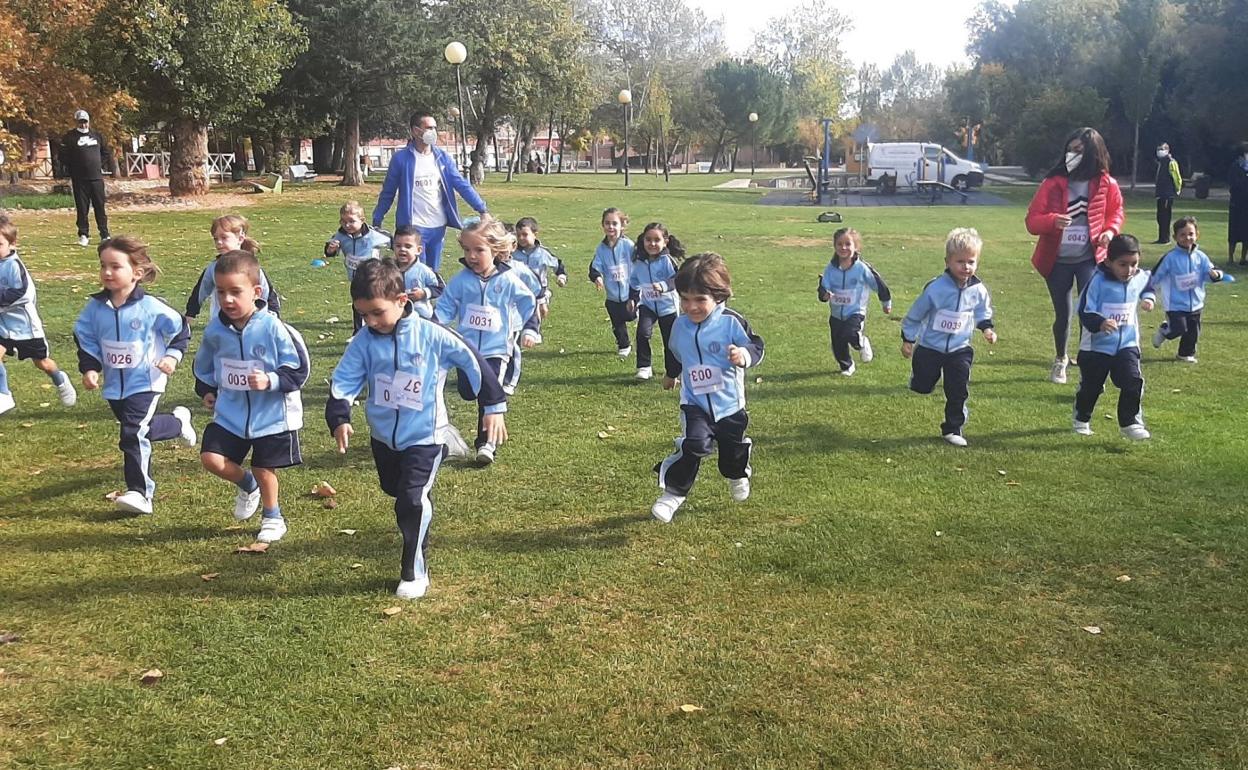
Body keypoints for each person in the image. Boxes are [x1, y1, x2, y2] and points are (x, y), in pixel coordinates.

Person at [326, 258, 508, 599]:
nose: (370, 321)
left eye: (377, 313)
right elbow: (345, 379)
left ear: (402, 300)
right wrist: (339, 416)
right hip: (383, 438)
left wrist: (493, 407)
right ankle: (419, 496)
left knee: (410, 500)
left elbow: (474, 362)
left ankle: (413, 570)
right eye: (363, 314)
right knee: (396, 491)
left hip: (425, 436)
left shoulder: (432, 335)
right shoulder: (364, 341)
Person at [192, 251, 310, 543]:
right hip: (230, 413)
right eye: (221, 293)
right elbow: (204, 366)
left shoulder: (273, 327)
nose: (227, 300)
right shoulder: (215, 330)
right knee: (211, 457)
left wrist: (270, 380)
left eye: (235, 292)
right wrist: (207, 391)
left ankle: (273, 516)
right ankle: (247, 485)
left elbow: (299, 369)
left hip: (271, 416)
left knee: (262, 466)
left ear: (256, 292)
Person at [74, 236, 196, 515]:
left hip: (147, 380)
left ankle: (140, 493)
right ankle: (177, 423)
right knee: (142, 429)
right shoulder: (94, 308)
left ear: (136, 273)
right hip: (115, 385)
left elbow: (180, 330)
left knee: (131, 432)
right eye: (103, 265)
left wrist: (171, 357)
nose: (107, 272)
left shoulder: (151, 307)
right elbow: (85, 338)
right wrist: (90, 367)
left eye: (115, 266)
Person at [651, 253, 764, 523]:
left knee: (731, 453)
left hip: (730, 406)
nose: (691, 307)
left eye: (700, 300)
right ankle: (673, 495)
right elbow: (676, 353)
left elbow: (756, 346)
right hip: (695, 404)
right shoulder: (680, 326)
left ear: (719, 296)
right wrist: (671, 374)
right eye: (685, 299)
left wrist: (743, 356)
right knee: (693, 444)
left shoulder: (731, 322)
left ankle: (738, 474)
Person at [1024, 127, 1124, 385]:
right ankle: (1061, 359)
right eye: (1070, 149)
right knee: (1064, 313)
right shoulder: (1053, 182)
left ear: (1093, 153)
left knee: (1088, 311)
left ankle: (1087, 359)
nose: (1073, 154)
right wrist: (1052, 221)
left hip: (1089, 258)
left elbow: (1116, 213)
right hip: (1056, 260)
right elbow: (1032, 221)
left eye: (1079, 150)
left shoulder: (1106, 183)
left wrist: (1110, 232)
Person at [434, 215, 536, 464]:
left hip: (496, 351)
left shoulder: (508, 279)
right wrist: (435, 325)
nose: (471, 256)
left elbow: (528, 303)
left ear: (496, 250)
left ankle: (486, 444)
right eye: (467, 250)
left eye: (479, 250)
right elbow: (446, 305)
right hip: (466, 350)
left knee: (488, 395)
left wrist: (530, 329)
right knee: (468, 391)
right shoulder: (461, 280)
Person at [901, 227, 997, 447]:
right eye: (960, 261)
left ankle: (953, 428)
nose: (966, 267)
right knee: (923, 385)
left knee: (958, 389)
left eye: (971, 262)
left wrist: (987, 329)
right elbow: (916, 314)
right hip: (930, 347)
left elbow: (983, 311)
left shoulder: (978, 290)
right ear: (948, 262)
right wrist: (908, 339)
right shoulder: (935, 288)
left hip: (959, 349)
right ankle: (918, 379)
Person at [371, 111, 488, 272]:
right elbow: (388, 192)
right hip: (413, 226)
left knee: (432, 274)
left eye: (434, 128)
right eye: (428, 127)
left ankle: (429, 297)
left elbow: (461, 184)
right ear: (415, 131)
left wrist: (482, 209)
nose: (432, 132)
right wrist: (377, 218)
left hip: (438, 225)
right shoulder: (401, 159)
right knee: (415, 272)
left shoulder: (442, 158)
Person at [1073, 234, 1155, 440]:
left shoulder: (1138, 277)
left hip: (1127, 344)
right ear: (1109, 262)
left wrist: (1149, 298)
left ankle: (1130, 422)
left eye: (1134, 264)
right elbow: (1084, 310)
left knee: (1133, 381)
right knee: (1091, 387)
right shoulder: (1097, 282)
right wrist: (1100, 323)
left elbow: (1148, 284)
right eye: (1123, 264)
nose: (1129, 270)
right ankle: (1081, 418)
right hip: (1096, 347)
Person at [0, 214, 77, 414]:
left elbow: (22, 294)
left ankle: (60, 379)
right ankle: (4, 395)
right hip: (3, 327)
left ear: (12, 244)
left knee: (42, 363)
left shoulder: (14, 266)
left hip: (25, 327)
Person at [1147, 216, 1224, 362]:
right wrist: (1147, 290)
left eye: (1190, 234)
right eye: (1182, 235)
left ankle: (1185, 353)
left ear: (1197, 235)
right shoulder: (1170, 258)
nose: (1187, 238)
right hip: (1175, 304)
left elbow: (1212, 272)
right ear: (1175, 237)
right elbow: (1156, 275)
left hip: (1195, 303)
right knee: (1179, 328)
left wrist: (1216, 275)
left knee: (1193, 331)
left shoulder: (1201, 257)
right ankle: (1165, 330)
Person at [817, 227, 892, 376]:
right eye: (839, 244)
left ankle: (861, 342)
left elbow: (877, 283)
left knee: (850, 333)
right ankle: (847, 366)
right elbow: (823, 287)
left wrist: (886, 302)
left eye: (847, 244)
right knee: (838, 342)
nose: (843, 247)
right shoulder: (830, 269)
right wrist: (825, 295)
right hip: (836, 313)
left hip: (855, 311)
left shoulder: (861, 268)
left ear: (855, 247)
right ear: (834, 246)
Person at [186, 214, 279, 323]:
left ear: (240, 238)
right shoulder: (213, 268)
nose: (219, 242)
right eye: (216, 239)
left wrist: (273, 315)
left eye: (224, 237)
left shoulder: (251, 266)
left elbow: (268, 293)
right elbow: (199, 292)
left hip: (251, 324)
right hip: (221, 326)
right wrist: (190, 314)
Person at [628, 222, 685, 381]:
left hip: (668, 308)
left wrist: (663, 286)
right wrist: (632, 298)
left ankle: (674, 371)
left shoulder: (667, 260)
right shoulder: (639, 262)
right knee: (642, 333)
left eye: (656, 240)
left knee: (670, 341)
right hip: (647, 306)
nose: (652, 244)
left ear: (665, 241)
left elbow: (677, 278)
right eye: (648, 240)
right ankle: (644, 367)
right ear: (643, 240)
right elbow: (634, 281)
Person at [326, 200, 390, 332]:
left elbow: (391, 240)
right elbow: (329, 250)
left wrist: (400, 251)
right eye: (343, 221)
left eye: (351, 221)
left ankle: (382, 324)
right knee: (358, 304)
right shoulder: (341, 236)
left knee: (375, 301)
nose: (347, 225)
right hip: (355, 278)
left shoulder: (373, 235)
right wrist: (331, 249)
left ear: (362, 220)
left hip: (374, 277)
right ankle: (358, 331)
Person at [60, 109, 113, 247]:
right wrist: (73, 169)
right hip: (79, 179)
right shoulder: (69, 137)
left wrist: (99, 165)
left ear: (89, 121)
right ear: (77, 122)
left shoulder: (97, 136)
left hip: (96, 178)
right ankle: (83, 234)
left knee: (99, 207)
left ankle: (104, 234)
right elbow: (63, 156)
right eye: (81, 122)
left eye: (85, 122)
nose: (83, 125)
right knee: (82, 208)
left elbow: (106, 152)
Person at [588, 207, 636, 357]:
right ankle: (624, 345)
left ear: (622, 225)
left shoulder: (628, 245)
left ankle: (640, 314)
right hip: (613, 295)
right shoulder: (601, 249)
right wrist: (597, 277)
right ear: (602, 226)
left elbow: (639, 260)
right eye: (607, 223)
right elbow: (595, 266)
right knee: (617, 322)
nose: (611, 227)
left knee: (630, 315)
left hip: (630, 291)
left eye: (615, 223)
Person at [513, 216, 568, 329]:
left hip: (539, 291)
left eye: (525, 234)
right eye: (518, 235)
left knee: (537, 312)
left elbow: (557, 265)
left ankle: (533, 332)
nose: (521, 238)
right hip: (518, 290)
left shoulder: (542, 253)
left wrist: (561, 276)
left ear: (535, 234)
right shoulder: (513, 253)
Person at [392, 225, 444, 320]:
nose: (402, 249)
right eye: (398, 246)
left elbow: (440, 287)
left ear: (418, 250)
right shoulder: (388, 269)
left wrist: (424, 293)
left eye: (408, 246)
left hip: (421, 316)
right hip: (395, 316)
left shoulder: (424, 270)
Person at [1153, 143, 1182, 244]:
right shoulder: (1161, 162)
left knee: (1165, 216)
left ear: (1167, 150)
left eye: (1162, 149)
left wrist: (1177, 189)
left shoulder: (1171, 162)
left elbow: (1177, 177)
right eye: (1158, 149)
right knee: (1160, 216)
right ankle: (1161, 238)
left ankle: (1166, 238)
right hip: (1161, 194)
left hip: (1167, 193)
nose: (1159, 151)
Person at [1228, 143, 1248, 267]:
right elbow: (1234, 185)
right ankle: (1230, 257)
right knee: (1234, 232)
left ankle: (1243, 257)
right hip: (1237, 203)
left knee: (1246, 232)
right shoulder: (1235, 166)